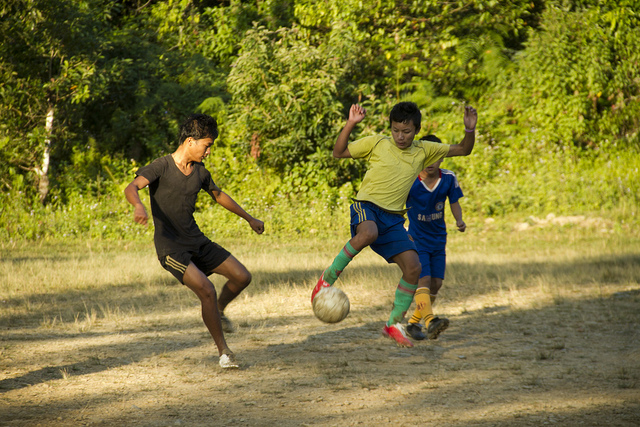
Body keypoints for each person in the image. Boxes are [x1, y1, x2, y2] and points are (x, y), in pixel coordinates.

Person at [311, 101, 477, 347]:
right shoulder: (378, 142)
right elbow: (339, 152)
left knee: (414, 267)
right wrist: (351, 124)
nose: (400, 136)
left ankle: (393, 323)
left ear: (416, 130)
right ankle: (327, 279)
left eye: (406, 131)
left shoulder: (425, 150)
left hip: (394, 220)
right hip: (366, 207)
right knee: (368, 232)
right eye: (396, 130)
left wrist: (469, 130)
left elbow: (464, 149)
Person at [124, 113, 264, 369]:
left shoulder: (200, 172)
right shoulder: (161, 167)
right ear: (190, 141)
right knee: (206, 290)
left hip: (197, 241)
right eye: (207, 145)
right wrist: (138, 205)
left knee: (242, 276)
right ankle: (224, 352)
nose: (208, 151)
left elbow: (218, 195)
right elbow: (131, 188)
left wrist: (249, 218)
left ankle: (219, 311)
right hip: (171, 250)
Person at [404, 134, 466, 341]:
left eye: (436, 157)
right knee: (424, 279)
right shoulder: (409, 179)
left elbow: (454, 202)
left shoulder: (448, 178)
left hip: (439, 239)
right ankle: (430, 321)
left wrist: (459, 220)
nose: (430, 162)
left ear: (442, 157)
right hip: (416, 239)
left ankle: (412, 324)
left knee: (436, 284)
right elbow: (393, 201)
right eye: (426, 157)